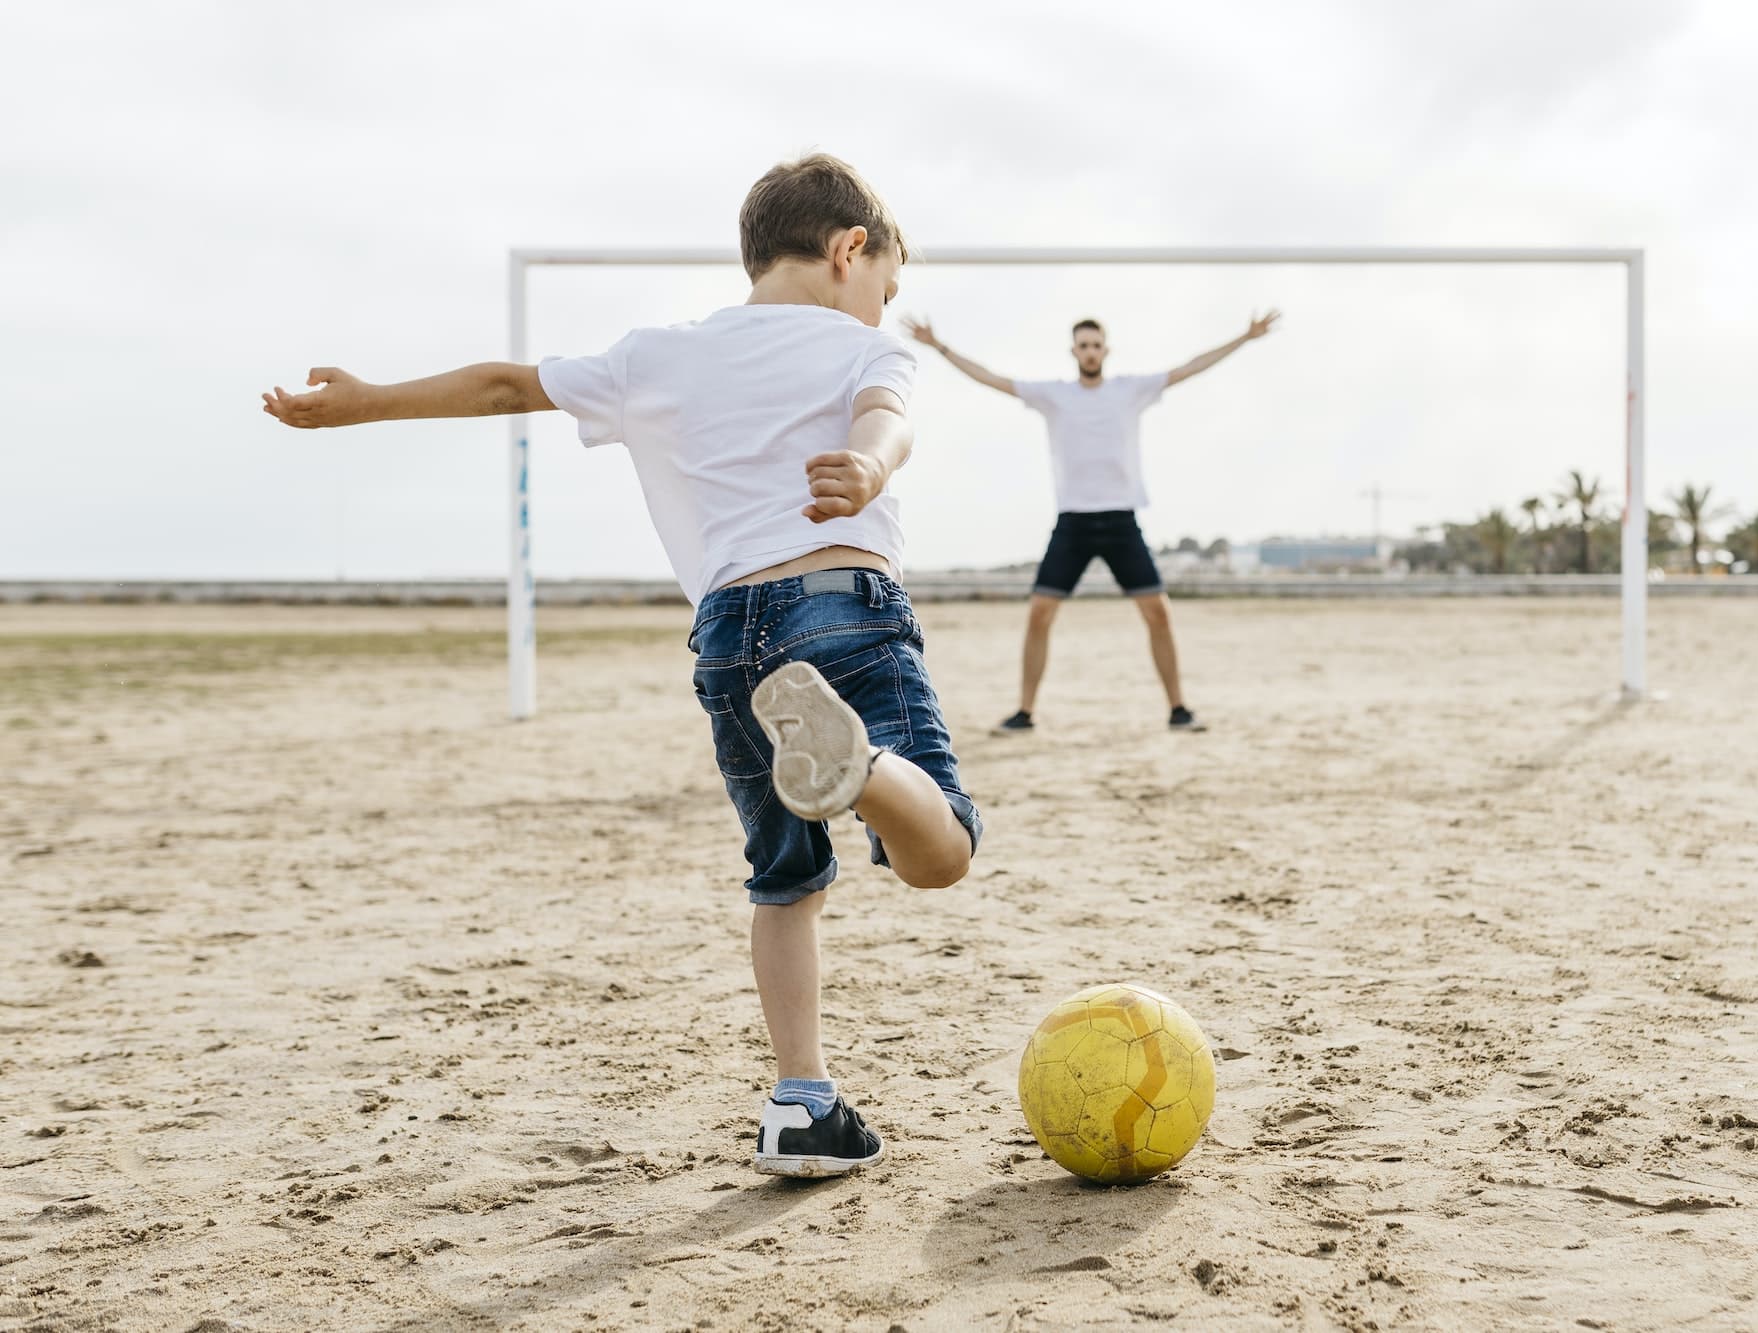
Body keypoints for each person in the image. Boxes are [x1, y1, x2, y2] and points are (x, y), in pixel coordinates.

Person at [262, 154, 979, 1179]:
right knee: (941, 850)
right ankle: (857, 769)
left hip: (731, 636)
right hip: (841, 609)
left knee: (783, 881)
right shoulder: (866, 348)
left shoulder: (658, 354)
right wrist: (866, 465)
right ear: (847, 250)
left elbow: (507, 383)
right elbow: (887, 418)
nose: (881, 308)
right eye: (885, 288)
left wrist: (366, 402)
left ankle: (800, 1103)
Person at [902, 309, 1280, 733]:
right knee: (1040, 613)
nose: (1090, 351)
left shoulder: (1130, 390)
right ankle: (1024, 713)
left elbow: (1189, 368)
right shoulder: (1054, 395)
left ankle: (1179, 709)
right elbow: (993, 379)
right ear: (1074, 351)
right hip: (1073, 522)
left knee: (1158, 612)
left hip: (1121, 520)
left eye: (1096, 345)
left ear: (1106, 350)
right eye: (1083, 345)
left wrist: (1244, 338)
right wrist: (939, 346)